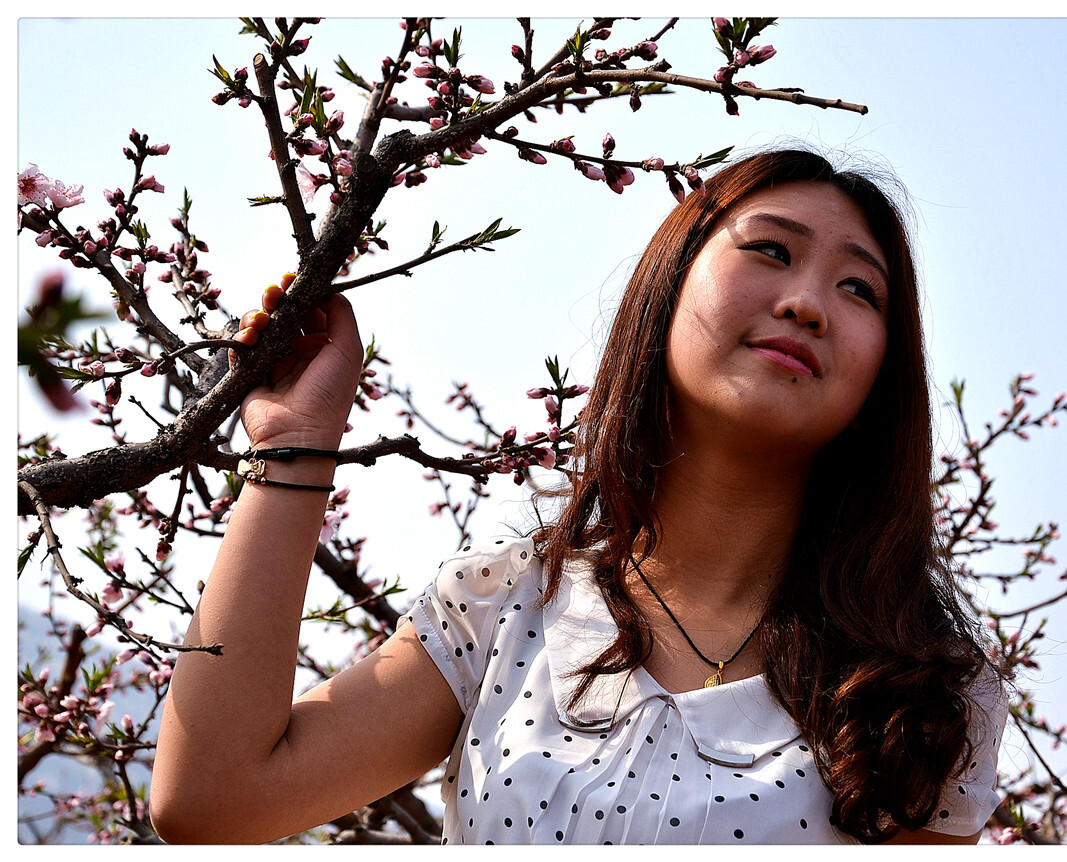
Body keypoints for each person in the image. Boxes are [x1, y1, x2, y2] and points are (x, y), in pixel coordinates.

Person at [150, 148, 1009, 845]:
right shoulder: (504, 610)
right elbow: (213, 800)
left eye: (860, 289)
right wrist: (296, 446)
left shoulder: (923, 697)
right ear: (667, 287)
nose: (806, 302)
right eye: (771, 250)